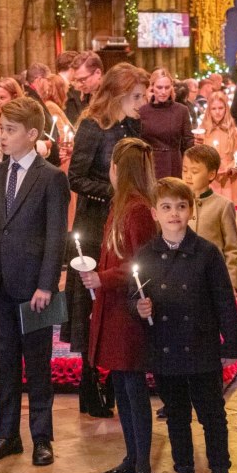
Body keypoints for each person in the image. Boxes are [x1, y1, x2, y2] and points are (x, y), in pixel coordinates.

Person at [133, 177, 237, 473]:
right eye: (166, 207)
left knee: (213, 415)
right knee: (177, 416)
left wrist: (231, 344)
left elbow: (224, 301)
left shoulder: (206, 253)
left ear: (191, 210)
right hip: (166, 347)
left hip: (201, 346)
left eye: (181, 207)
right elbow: (134, 294)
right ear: (155, 213)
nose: (174, 214)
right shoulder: (147, 254)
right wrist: (138, 307)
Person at [0, 97, 70, 468]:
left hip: (36, 287)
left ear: (31, 134)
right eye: (1, 128)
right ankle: (7, 435)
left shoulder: (51, 177)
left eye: (10, 130)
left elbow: (56, 235)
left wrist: (47, 284)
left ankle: (42, 438)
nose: (2, 136)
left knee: (39, 365)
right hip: (1, 282)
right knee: (6, 363)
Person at [65, 63, 149, 417]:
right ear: (118, 94)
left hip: (123, 221)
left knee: (120, 297)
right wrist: (115, 193)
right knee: (91, 302)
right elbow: (76, 177)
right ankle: (90, 384)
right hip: (96, 220)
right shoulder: (92, 126)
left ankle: (117, 378)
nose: (143, 103)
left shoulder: (133, 125)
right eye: (137, 96)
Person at [78, 137, 157, 473]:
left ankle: (143, 468)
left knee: (133, 390)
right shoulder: (121, 205)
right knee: (122, 389)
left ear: (117, 170)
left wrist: (103, 278)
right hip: (114, 309)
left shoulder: (137, 210)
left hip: (127, 313)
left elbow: (142, 265)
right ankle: (131, 456)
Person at [181, 145, 237, 292]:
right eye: (184, 170)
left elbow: (232, 250)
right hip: (182, 279)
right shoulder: (177, 204)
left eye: (194, 171)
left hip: (212, 279)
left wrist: (231, 284)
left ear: (211, 174)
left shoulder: (223, 206)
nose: (188, 175)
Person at [138, 68, 194, 179]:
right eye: (159, 87)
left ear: (171, 88)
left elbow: (188, 141)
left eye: (167, 87)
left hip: (174, 165)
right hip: (149, 166)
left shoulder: (181, 110)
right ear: (152, 87)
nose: (163, 92)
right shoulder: (142, 111)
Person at [201, 90, 237, 207]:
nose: (217, 112)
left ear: (226, 109)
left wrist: (232, 167)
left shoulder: (233, 132)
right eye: (214, 109)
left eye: (221, 108)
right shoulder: (203, 132)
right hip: (210, 181)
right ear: (209, 110)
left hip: (229, 181)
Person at [67, 52, 103, 123]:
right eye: (76, 80)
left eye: (82, 79)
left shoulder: (111, 96)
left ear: (98, 73)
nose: (78, 85)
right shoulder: (86, 95)